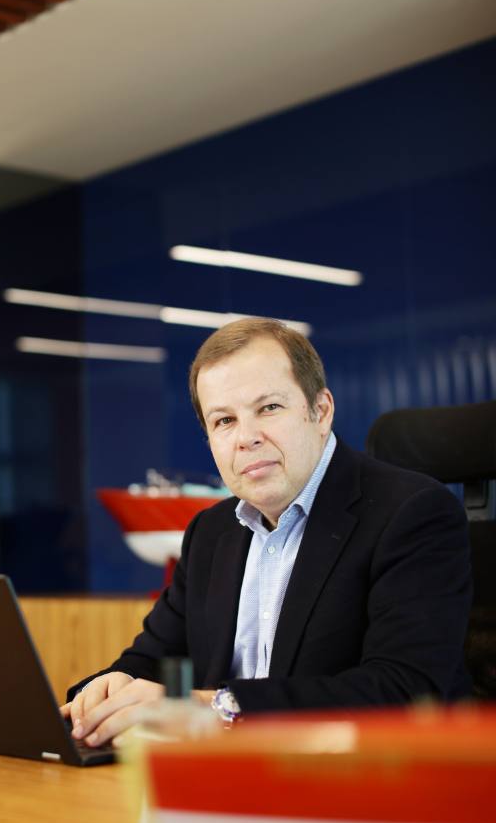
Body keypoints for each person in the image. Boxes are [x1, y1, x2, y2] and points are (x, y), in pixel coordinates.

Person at [62, 317, 473, 747]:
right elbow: (151, 660)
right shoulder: (210, 532)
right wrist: (109, 689)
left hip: (360, 774)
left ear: (320, 411)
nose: (246, 438)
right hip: (222, 773)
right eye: (224, 420)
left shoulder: (412, 513)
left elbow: (403, 691)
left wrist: (214, 709)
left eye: (269, 408)